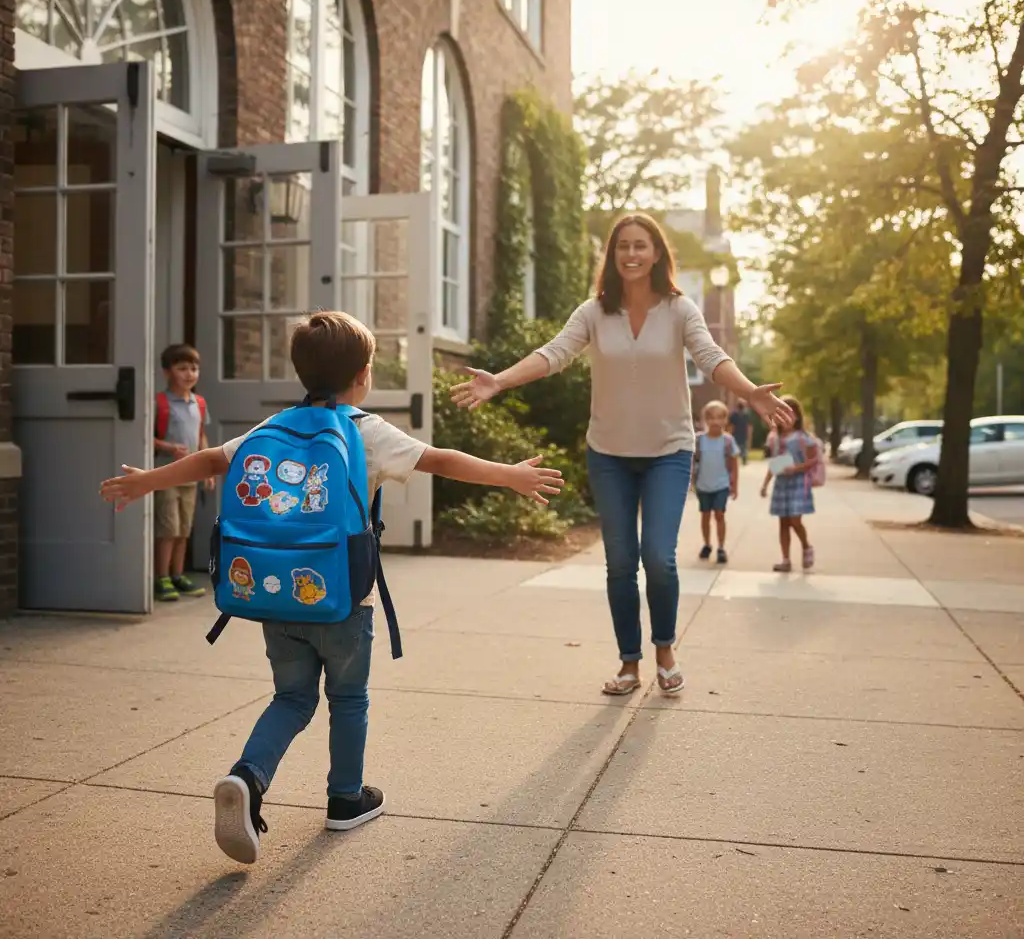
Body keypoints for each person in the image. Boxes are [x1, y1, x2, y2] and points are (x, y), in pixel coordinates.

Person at [99, 311, 562, 864]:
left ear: (301, 372)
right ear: (363, 375)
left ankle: (247, 777)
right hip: (343, 602)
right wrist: (510, 474)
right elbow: (440, 460)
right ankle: (346, 798)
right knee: (348, 698)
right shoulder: (365, 429)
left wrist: (146, 480)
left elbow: (209, 461)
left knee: (291, 698)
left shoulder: (272, 428)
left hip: (274, 593)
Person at [451, 213, 792, 697]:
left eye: (641, 246)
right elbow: (554, 353)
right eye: (622, 247)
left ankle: (665, 650)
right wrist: (499, 381)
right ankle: (630, 663)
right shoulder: (594, 312)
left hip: (668, 450)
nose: (631, 255)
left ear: (657, 254)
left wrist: (750, 391)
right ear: (611, 256)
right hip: (608, 453)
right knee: (619, 562)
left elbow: (712, 358)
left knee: (658, 557)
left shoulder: (679, 309)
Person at [153, 343, 215, 601]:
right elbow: (145, 438)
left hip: (190, 476)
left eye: (194, 368)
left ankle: (178, 574)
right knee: (168, 528)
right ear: (167, 372)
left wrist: (209, 470)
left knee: (184, 529)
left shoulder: (199, 404)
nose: (189, 374)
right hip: (167, 474)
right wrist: (167, 446)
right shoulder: (160, 402)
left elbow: (201, 437)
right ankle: (162, 577)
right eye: (182, 368)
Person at [760, 395, 818, 572]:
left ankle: (806, 546)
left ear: (798, 417)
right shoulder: (774, 438)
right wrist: (765, 484)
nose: (786, 418)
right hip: (781, 484)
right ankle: (785, 559)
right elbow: (774, 464)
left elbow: (813, 460)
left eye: (790, 414)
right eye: (781, 414)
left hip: (798, 483)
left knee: (795, 520)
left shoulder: (804, 438)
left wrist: (796, 468)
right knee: (783, 522)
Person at [693, 400, 739, 565]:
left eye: (720, 417)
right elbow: (693, 461)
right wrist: (692, 481)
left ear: (725, 420)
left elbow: (734, 463)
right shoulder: (699, 440)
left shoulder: (728, 441)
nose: (715, 421)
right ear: (705, 420)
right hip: (703, 485)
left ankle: (721, 547)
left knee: (719, 514)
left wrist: (735, 485)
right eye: (711, 418)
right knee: (705, 515)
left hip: (722, 485)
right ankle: (707, 544)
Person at [728, 398, 752, 465]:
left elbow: (749, 426)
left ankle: (743, 458)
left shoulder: (746, 415)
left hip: (743, 434)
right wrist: (730, 434)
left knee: (743, 448)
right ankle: (735, 460)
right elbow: (731, 426)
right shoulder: (734, 415)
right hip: (736, 435)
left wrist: (749, 435)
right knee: (736, 448)